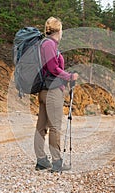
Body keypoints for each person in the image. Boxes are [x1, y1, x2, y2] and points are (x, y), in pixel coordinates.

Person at [34, 17, 78, 172]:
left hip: (44, 91)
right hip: (52, 91)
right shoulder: (49, 44)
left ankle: (41, 161)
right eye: (62, 29)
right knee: (54, 127)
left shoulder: (45, 44)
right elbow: (53, 68)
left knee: (41, 126)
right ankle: (57, 162)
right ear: (58, 30)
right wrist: (69, 76)